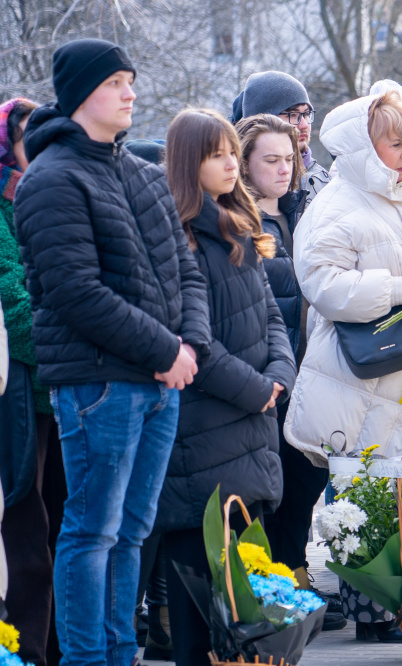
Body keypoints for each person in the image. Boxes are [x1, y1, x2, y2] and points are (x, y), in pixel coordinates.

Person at [13, 39, 211, 666]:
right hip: (99, 383)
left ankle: (120, 654)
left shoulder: (144, 174)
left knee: (131, 533)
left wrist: (190, 346)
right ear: (81, 95)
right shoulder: (50, 179)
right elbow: (75, 292)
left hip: (161, 380)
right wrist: (163, 349)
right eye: (116, 82)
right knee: (91, 532)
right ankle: (87, 660)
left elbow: (187, 271)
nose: (131, 92)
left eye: (131, 80)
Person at [283, 91, 402, 642]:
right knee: (364, 491)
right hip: (361, 373)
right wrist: (397, 289)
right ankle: (370, 610)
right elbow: (321, 283)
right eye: (395, 142)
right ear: (364, 146)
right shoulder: (336, 205)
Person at [156, 108, 296, 666]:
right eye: (218, 154)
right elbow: (197, 346)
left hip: (252, 427)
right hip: (204, 435)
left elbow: (273, 319)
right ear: (191, 163)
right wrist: (258, 390)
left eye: (232, 153)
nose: (231, 164)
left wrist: (279, 379)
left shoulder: (238, 229)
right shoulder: (179, 238)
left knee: (245, 606)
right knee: (200, 604)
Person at [233, 113, 344, 627]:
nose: (284, 169)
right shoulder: (240, 219)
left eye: (290, 159)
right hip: (263, 372)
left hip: (312, 365)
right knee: (271, 483)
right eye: (270, 160)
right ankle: (275, 582)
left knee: (305, 475)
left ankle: (294, 566)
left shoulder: (308, 211)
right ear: (245, 164)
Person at [0, 95, 68, 666]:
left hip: (66, 391)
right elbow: (17, 307)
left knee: (66, 529)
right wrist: (66, 337)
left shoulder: (55, 199)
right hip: (18, 392)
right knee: (26, 539)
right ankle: (26, 655)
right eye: (30, 136)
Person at [230, 70, 330, 203]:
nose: (304, 124)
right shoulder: (230, 185)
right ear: (265, 121)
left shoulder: (323, 181)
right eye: (292, 115)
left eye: (306, 114)